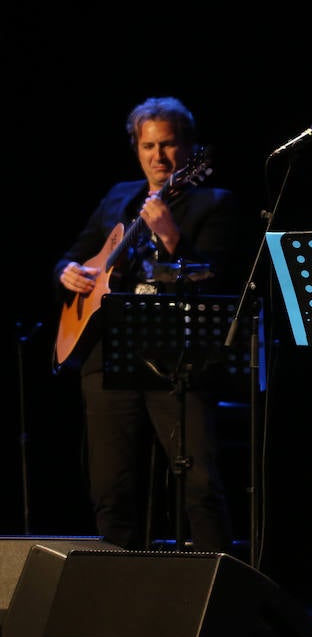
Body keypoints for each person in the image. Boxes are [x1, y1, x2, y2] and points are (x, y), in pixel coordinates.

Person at [53, 96, 244, 552]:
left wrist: (170, 236)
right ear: (137, 149)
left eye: (169, 145)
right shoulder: (118, 197)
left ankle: (216, 588)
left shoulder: (214, 201)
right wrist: (67, 272)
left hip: (178, 357)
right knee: (111, 486)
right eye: (148, 146)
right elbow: (73, 254)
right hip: (108, 353)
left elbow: (216, 275)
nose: (159, 157)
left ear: (189, 148)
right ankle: (118, 595)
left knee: (199, 482)